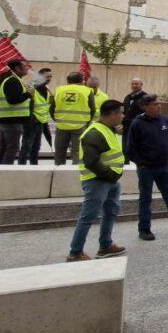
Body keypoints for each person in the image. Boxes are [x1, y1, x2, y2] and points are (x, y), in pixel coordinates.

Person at [126, 94, 168, 240]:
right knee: (145, 199)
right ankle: (144, 229)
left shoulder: (165, 120)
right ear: (145, 107)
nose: (159, 106)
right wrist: (141, 163)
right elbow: (130, 149)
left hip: (164, 166)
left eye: (159, 104)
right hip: (146, 169)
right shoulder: (137, 124)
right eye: (155, 104)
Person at [66, 100, 127, 262]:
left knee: (110, 211)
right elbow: (91, 161)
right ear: (112, 114)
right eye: (121, 113)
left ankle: (106, 245)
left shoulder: (107, 129)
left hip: (110, 180)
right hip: (97, 181)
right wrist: (110, 175)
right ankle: (75, 252)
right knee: (88, 216)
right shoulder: (94, 133)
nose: (123, 116)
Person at [0, 58, 32, 165]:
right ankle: (6, 170)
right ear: (17, 68)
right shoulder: (12, 81)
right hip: (11, 120)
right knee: (12, 148)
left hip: (6, 119)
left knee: (4, 147)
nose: (28, 68)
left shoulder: (12, 80)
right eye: (25, 66)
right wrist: (28, 94)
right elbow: (13, 100)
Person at [51, 71, 95, 164]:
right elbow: (92, 109)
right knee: (77, 152)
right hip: (80, 126)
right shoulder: (87, 91)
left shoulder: (59, 90)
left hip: (61, 126)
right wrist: (86, 123)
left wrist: (57, 120)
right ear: (82, 81)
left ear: (68, 81)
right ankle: (75, 171)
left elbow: (51, 109)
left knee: (60, 152)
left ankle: (59, 170)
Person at [20, 67, 53, 165]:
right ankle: (21, 167)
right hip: (32, 121)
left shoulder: (46, 88)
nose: (49, 79)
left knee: (36, 147)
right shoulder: (32, 87)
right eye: (47, 76)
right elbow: (27, 103)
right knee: (27, 146)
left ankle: (34, 166)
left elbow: (44, 105)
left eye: (50, 76)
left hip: (41, 121)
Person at [121, 78, 146, 152]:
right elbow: (123, 110)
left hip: (139, 127)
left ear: (141, 85)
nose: (134, 85)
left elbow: (147, 112)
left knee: (138, 148)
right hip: (127, 127)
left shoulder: (145, 97)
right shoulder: (127, 97)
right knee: (126, 147)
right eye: (133, 84)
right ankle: (126, 158)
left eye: (136, 84)